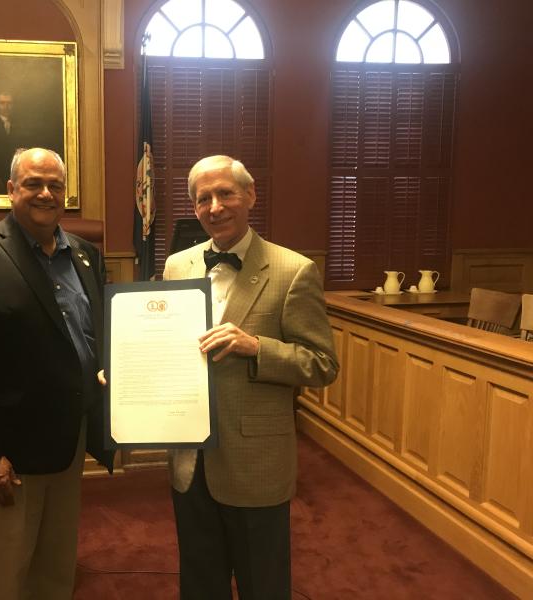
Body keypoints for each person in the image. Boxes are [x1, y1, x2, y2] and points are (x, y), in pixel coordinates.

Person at [0, 147, 114, 599]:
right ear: (11, 190)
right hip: (9, 453)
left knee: (54, 571)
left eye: (55, 185)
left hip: (70, 441)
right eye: (33, 183)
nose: (45, 193)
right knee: (0, 575)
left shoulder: (86, 255)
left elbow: (96, 336)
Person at [163, 155, 339, 599]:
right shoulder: (176, 266)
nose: (215, 206)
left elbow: (322, 363)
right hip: (190, 458)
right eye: (204, 198)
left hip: (256, 460)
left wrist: (257, 347)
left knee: (264, 584)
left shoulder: (293, 270)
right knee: (200, 582)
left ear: (251, 195)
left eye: (226, 193)